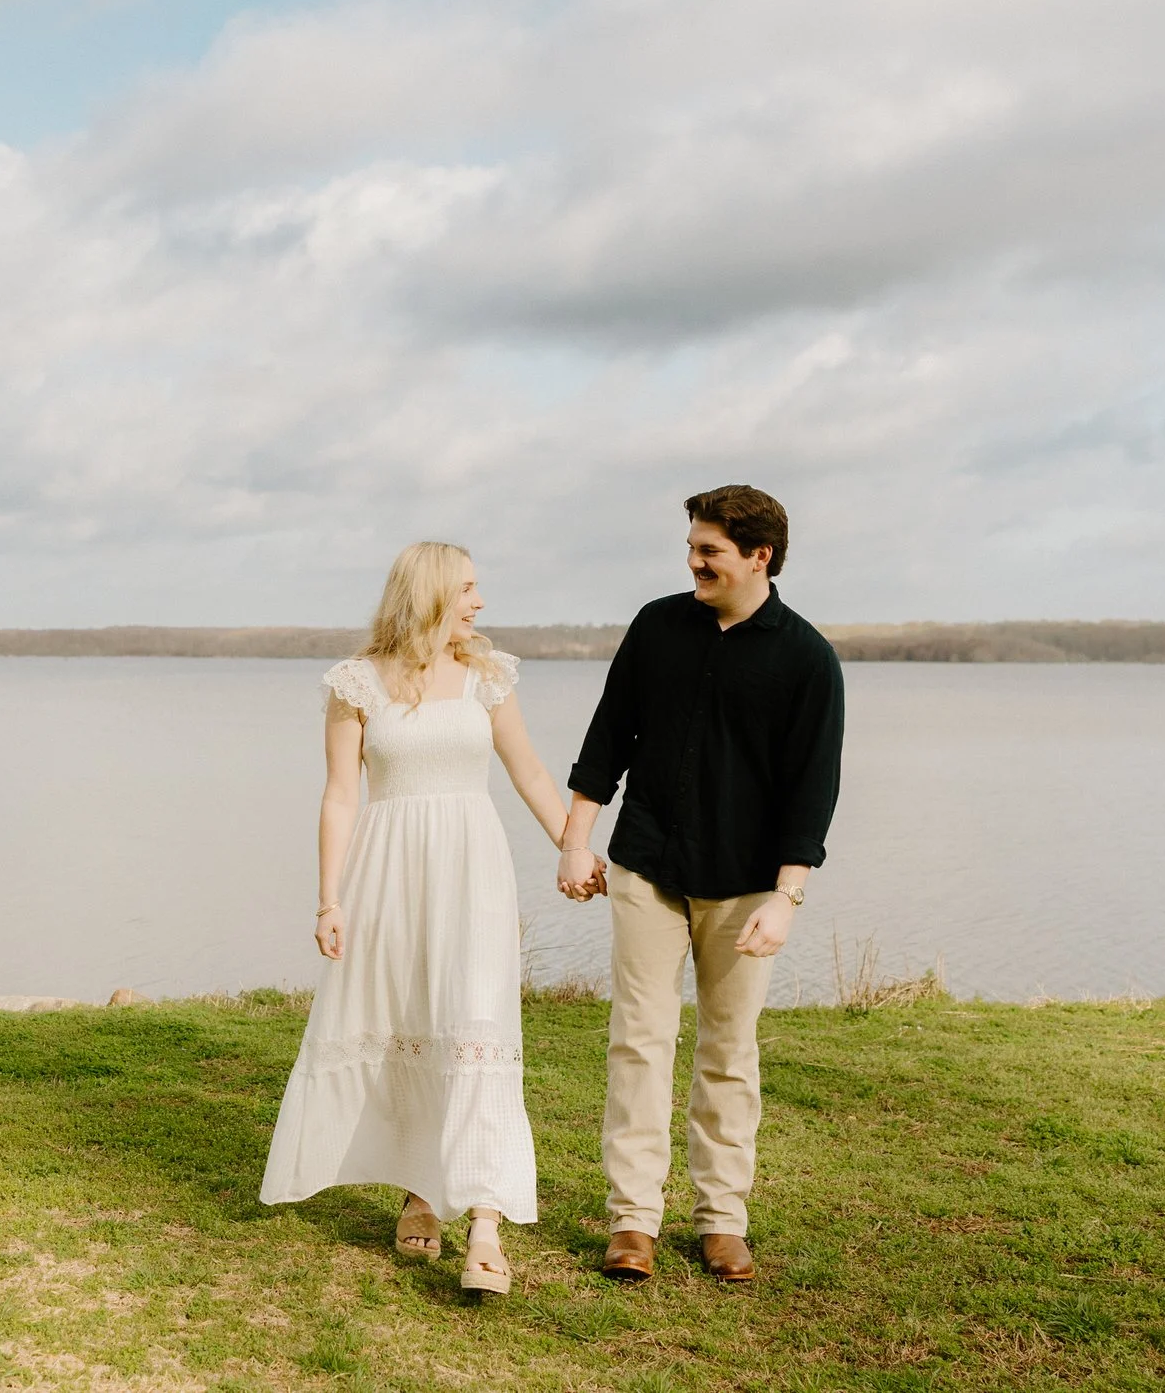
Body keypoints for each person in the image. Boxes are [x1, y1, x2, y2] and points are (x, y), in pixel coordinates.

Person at [259, 541, 595, 1296]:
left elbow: (531, 772)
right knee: (411, 1019)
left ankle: (484, 1220)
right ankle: (419, 1188)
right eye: (469, 588)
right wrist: (329, 896)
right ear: (432, 593)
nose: (480, 602)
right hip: (387, 872)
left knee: (475, 1025)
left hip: (472, 871)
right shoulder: (356, 683)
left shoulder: (488, 675)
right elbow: (340, 795)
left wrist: (575, 848)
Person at [560, 485, 844, 1285]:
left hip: (749, 889)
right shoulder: (657, 625)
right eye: (691, 546)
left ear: (760, 555)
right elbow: (606, 736)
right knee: (638, 1040)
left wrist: (786, 898)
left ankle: (722, 1218)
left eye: (709, 550)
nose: (693, 562)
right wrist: (576, 840)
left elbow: (812, 790)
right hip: (646, 864)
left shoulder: (808, 658)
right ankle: (632, 1221)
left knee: (728, 1049)